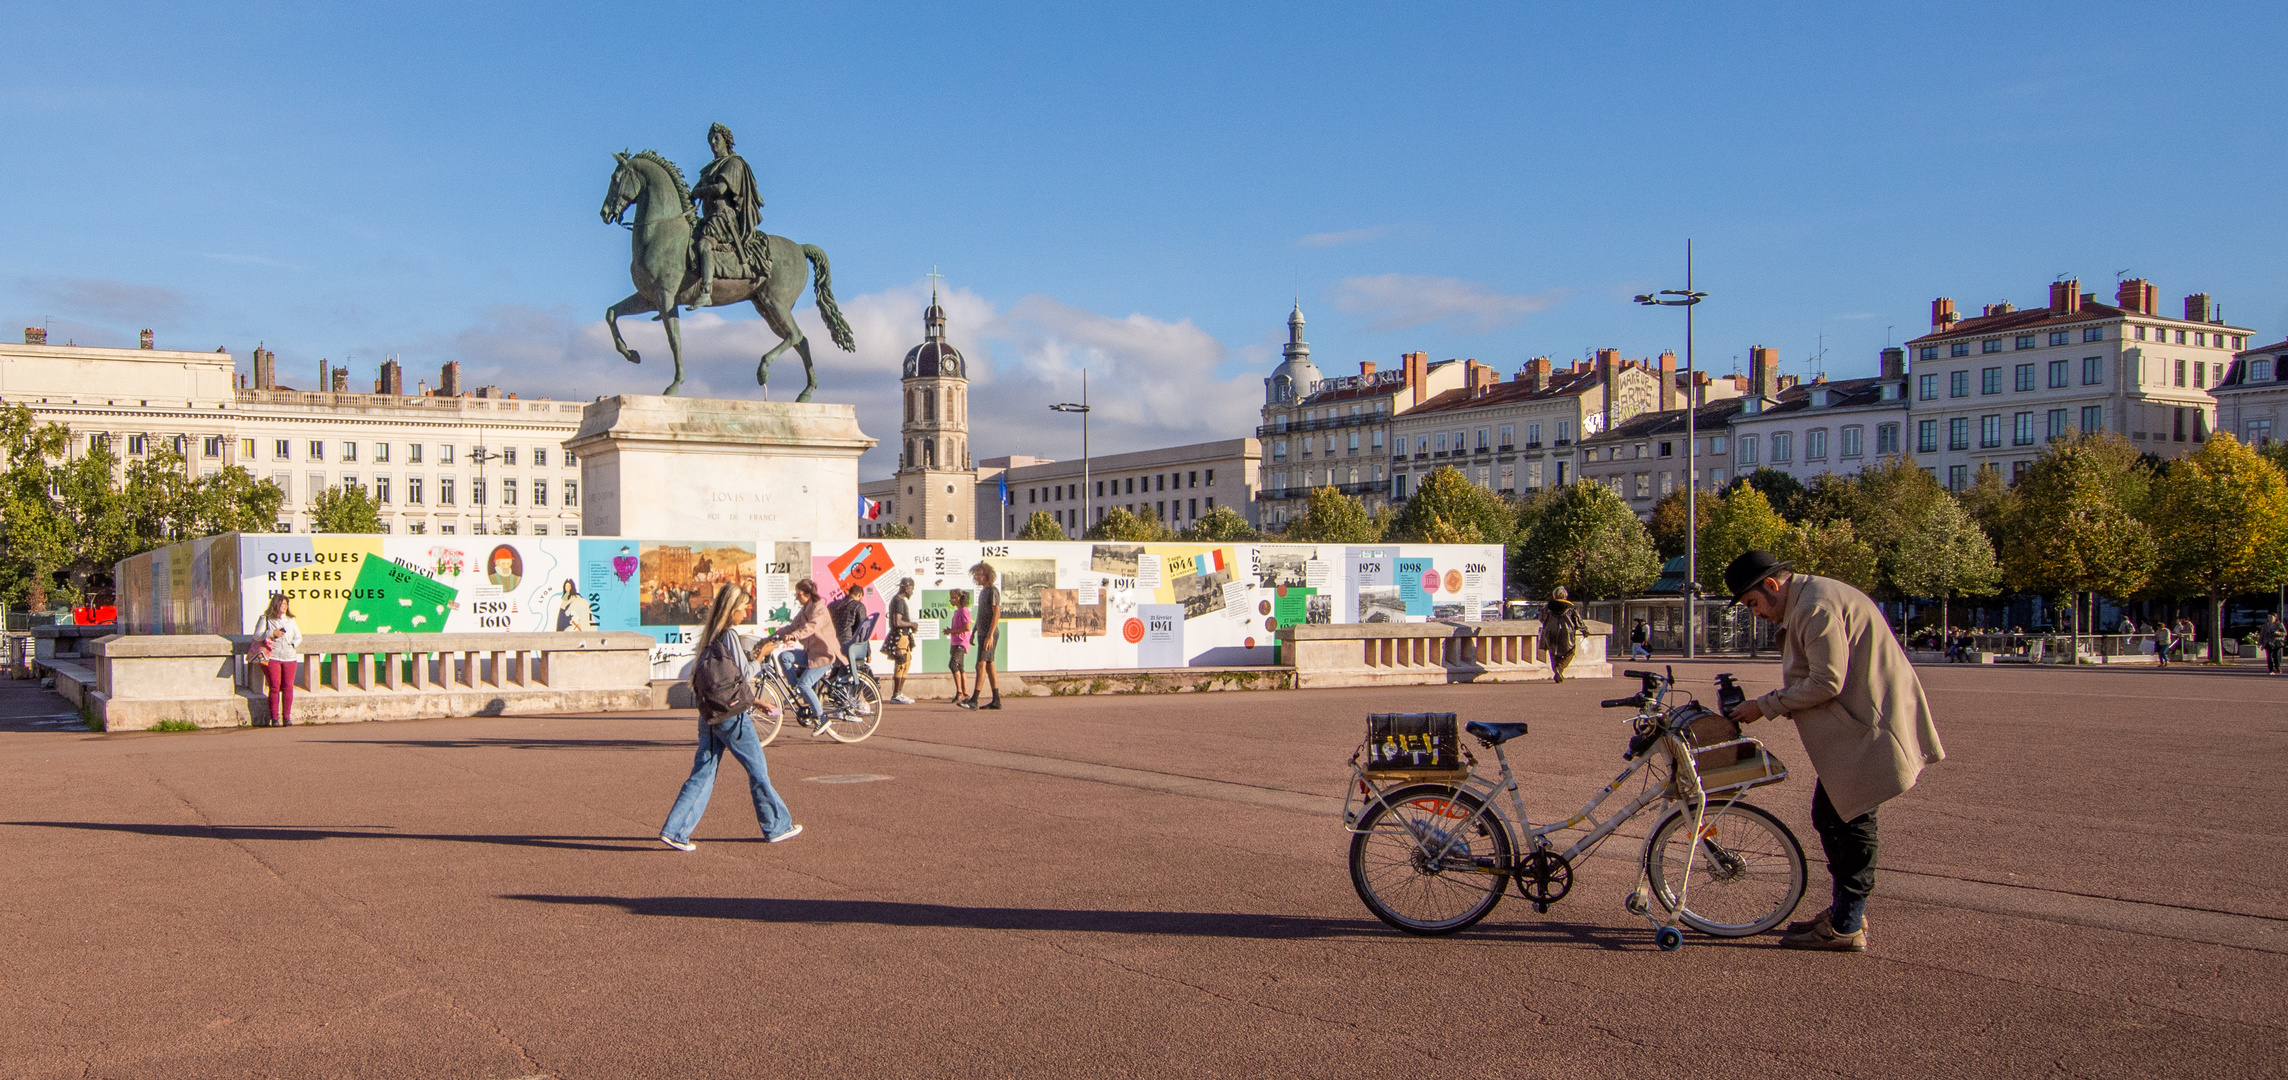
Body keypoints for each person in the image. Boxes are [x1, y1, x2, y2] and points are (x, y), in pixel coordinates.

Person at [1722, 550, 1943, 953]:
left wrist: (1765, 705)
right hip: (1862, 721)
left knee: (1851, 819)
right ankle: (1847, 911)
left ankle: (1847, 925)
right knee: (1835, 816)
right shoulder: (1813, 598)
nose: (1756, 614)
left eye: (1754, 603)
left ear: (1772, 586)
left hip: (1867, 726)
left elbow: (1827, 681)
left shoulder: (1816, 606)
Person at [659, 583, 800, 850]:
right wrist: (761, 656)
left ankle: (676, 829)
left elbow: (723, 680)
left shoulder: (709, 636)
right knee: (757, 768)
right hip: (732, 716)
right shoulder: (729, 635)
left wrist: (756, 701)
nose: (746, 613)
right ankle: (777, 825)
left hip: (711, 713)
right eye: (743, 608)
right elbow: (743, 674)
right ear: (732, 609)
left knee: (703, 772)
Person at [689, 122, 769, 311]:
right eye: (710, 140)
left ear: (727, 141)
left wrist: (701, 191)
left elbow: (721, 188)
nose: (713, 143)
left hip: (724, 217)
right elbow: (694, 190)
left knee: (704, 245)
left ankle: (706, 292)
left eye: (717, 138)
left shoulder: (733, 163)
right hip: (709, 216)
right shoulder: (709, 168)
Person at [764, 578, 844, 728]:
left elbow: (811, 627)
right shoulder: (804, 610)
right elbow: (791, 627)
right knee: (784, 656)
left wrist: (795, 635)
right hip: (811, 653)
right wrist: (768, 639)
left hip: (824, 655)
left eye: (798, 595)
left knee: (805, 684)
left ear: (807, 594)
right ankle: (796, 691)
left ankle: (822, 719)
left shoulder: (819, 609)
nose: (796, 598)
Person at [252, 595, 302, 726]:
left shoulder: (290, 620)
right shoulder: (266, 619)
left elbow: (298, 636)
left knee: (288, 687)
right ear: (275, 605)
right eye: (282, 604)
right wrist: (271, 633)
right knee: (274, 686)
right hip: (273, 656)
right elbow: (257, 636)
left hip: (289, 657)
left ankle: (287, 717)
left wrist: (293, 645)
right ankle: (274, 718)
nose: (284, 607)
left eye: (286, 604)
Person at [959, 562, 1002, 710]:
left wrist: (990, 635)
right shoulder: (983, 592)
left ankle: (974, 700)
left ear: (987, 575)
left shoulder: (992, 591)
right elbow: (981, 614)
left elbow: (996, 613)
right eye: (976, 575)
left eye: (979, 575)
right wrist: (974, 631)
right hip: (982, 632)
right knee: (990, 666)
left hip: (989, 634)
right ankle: (996, 700)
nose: (977, 577)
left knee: (980, 665)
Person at [886, 578, 918, 704]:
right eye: (912, 589)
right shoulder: (898, 601)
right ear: (906, 588)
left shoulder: (899, 601)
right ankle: (896, 694)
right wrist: (911, 624)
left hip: (904, 636)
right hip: (900, 637)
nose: (912, 592)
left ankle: (899, 693)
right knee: (901, 664)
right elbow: (897, 622)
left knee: (905, 664)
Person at [1539, 587, 1581, 682]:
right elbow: (1577, 620)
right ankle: (1560, 668)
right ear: (1565, 595)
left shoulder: (1547, 606)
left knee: (1553, 653)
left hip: (1550, 631)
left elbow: (1542, 619)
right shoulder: (1570, 607)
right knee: (1570, 652)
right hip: (1566, 632)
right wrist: (1584, 630)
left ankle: (1556, 670)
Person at [947, 589, 973, 704]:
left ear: (958, 598)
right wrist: (951, 631)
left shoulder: (964, 611)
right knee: (960, 667)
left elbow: (967, 627)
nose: (950, 600)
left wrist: (952, 631)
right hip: (955, 642)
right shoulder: (957, 612)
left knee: (953, 665)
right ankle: (966, 693)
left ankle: (959, 692)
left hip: (961, 642)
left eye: (953, 597)